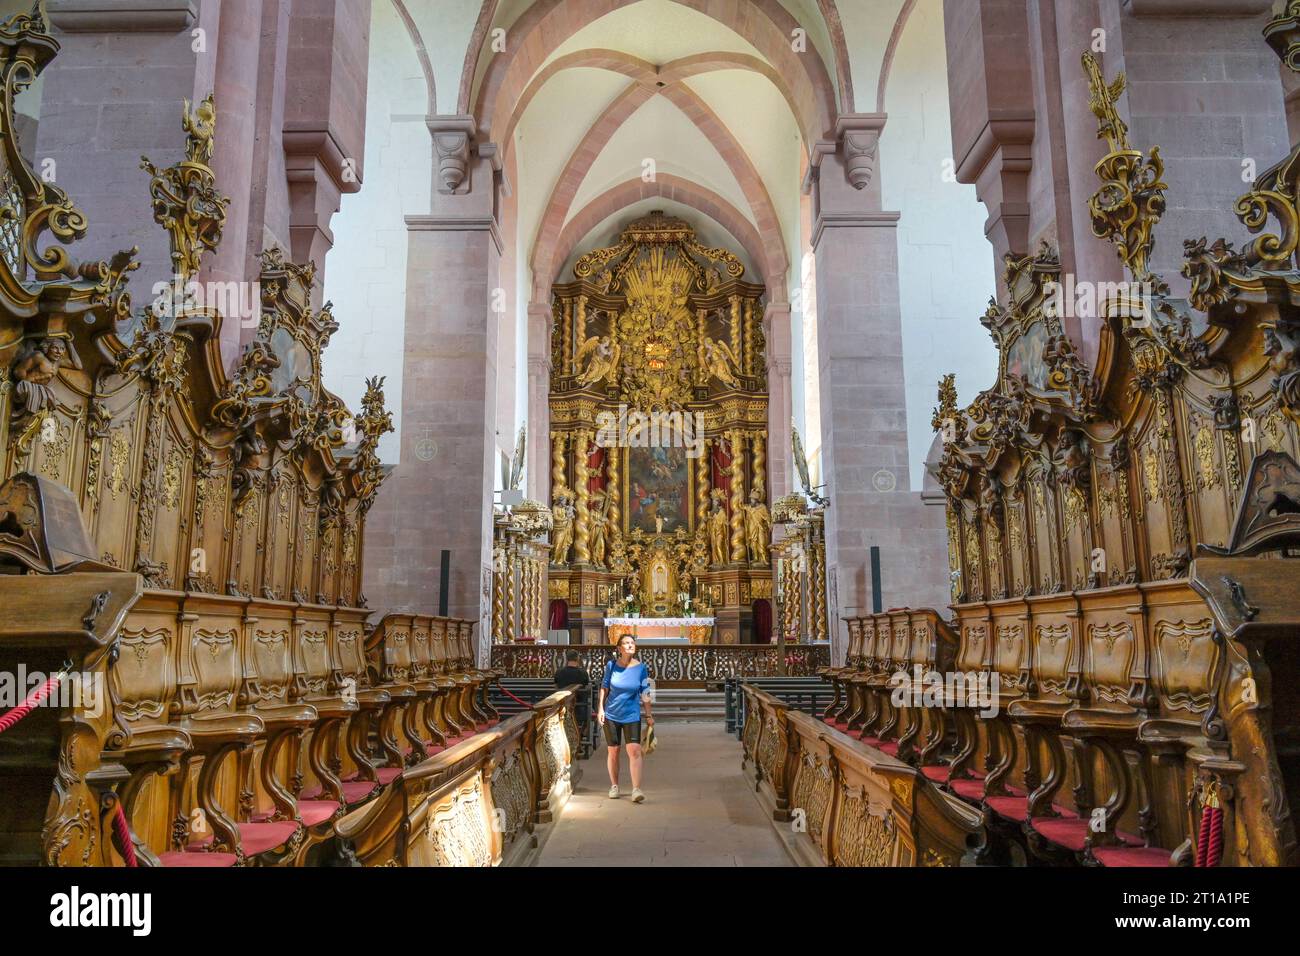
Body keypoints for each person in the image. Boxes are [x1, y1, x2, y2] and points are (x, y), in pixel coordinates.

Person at [598, 634, 654, 803]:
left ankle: (636, 789)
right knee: (613, 751)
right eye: (626, 643)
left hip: (632, 714)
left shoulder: (641, 668)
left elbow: (645, 692)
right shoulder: (611, 665)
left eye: (632, 643)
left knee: (635, 751)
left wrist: (649, 715)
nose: (630, 645)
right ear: (619, 648)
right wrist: (600, 708)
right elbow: (604, 687)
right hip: (612, 714)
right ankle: (614, 785)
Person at [553, 650, 590, 732]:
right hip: (579, 708)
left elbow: (555, 687)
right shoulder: (583, 673)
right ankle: (582, 732)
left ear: (566, 659)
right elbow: (586, 687)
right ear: (577, 659)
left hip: (562, 707)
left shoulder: (559, 672)